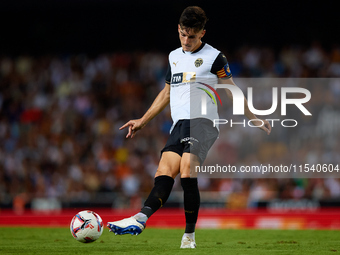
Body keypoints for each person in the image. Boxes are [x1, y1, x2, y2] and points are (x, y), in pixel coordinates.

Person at [107, 6, 271, 248]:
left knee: (186, 169)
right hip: (179, 124)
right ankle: (140, 219)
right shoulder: (174, 57)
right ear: (178, 29)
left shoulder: (215, 57)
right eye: (182, 34)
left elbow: (233, 90)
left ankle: (189, 236)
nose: (186, 40)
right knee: (164, 172)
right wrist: (142, 120)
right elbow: (166, 93)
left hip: (204, 122)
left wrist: (254, 117)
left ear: (202, 33)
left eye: (192, 36)